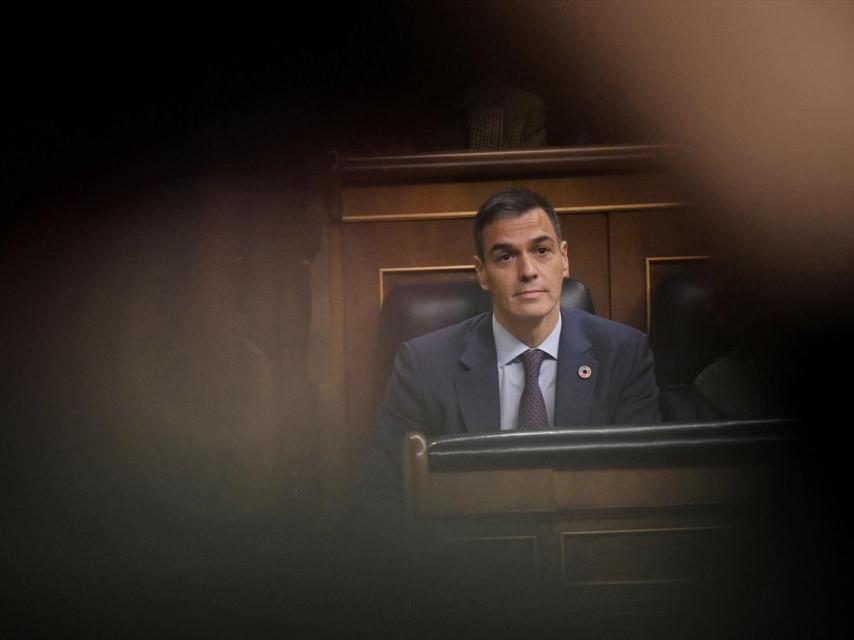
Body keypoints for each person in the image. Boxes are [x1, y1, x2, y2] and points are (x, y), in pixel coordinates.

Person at [362, 187, 660, 508]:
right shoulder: (422, 365)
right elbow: (384, 495)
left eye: (542, 251)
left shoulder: (624, 354)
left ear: (564, 259)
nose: (528, 271)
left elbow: (643, 486)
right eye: (506, 256)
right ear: (483, 274)